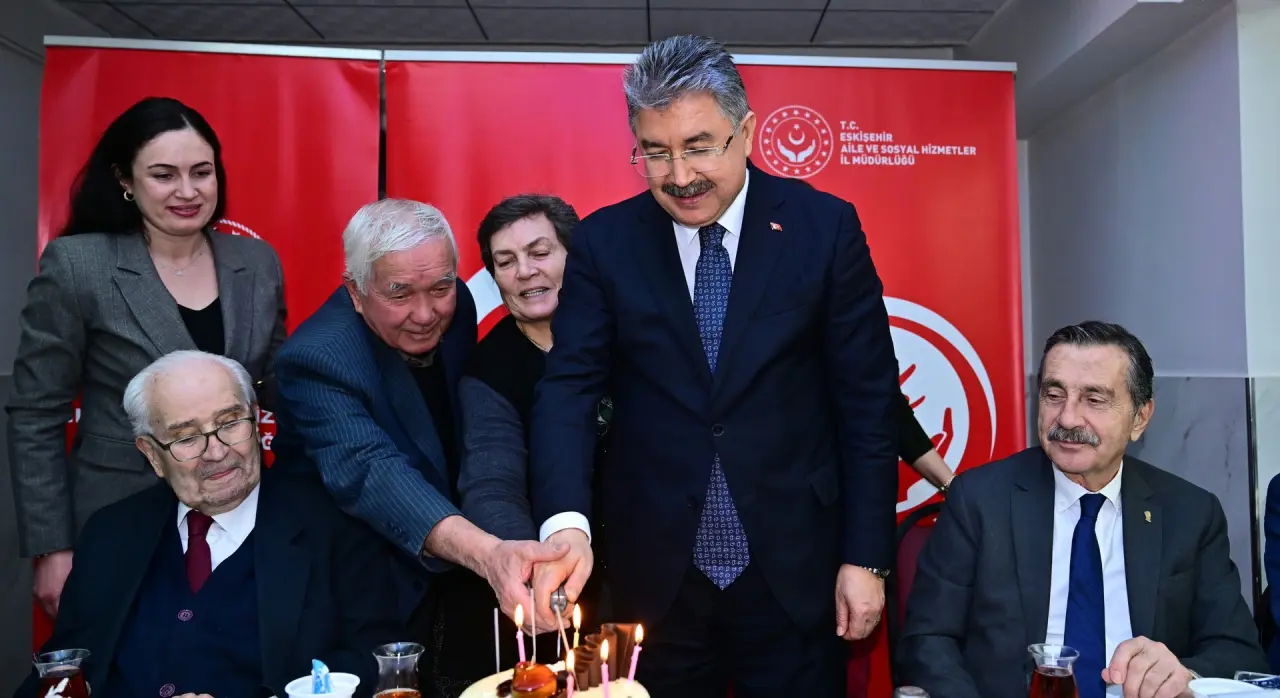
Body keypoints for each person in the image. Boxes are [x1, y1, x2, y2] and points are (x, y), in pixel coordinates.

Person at [528, 35, 902, 696]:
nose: (679, 176)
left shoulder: (824, 229)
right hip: (654, 577)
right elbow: (568, 391)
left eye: (699, 146)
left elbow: (868, 403)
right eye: (655, 152)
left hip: (796, 569)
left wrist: (866, 557)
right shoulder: (605, 242)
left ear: (747, 132)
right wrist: (565, 525)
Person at [6, 96, 287, 620]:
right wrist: (51, 547)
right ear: (125, 180)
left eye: (201, 172)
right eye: (163, 175)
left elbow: (277, 384)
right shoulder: (79, 265)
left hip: (241, 514)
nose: (188, 191)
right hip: (118, 515)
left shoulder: (256, 262)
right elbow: (35, 412)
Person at [898, 321, 1269, 698]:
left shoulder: (1189, 513)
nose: (1068, 418)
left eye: (1094, 399)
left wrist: (1184, 676)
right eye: (1054, 395)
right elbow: (927, 641)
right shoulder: (980, 500)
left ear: (1140, 418)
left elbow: (1240, 655)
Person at [271, 198, 569, 653]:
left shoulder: (457, 305)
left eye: (440, 287)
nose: (427, 314)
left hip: (452, 564)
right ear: (356, 291)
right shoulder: (317, 360)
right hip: (353, 575)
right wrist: (489, 554)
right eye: (400, 294)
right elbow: (374, 473)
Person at [13, 351, 400, 698]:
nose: (216, 451)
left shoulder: (333, 525)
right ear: (151, 454)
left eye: (230, 423)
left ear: (255, 418)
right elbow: (61, 673)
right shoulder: (111, 533)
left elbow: (376, 663)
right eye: (186, 437)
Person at [431, 194, 605, 695]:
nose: (525, 271)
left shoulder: (628, 336)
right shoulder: (488, 370)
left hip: (649, 580)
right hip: (551, 590)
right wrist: (527, 561)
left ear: (575, 255)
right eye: (505, 262)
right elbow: (492, 482)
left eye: (540, 252)